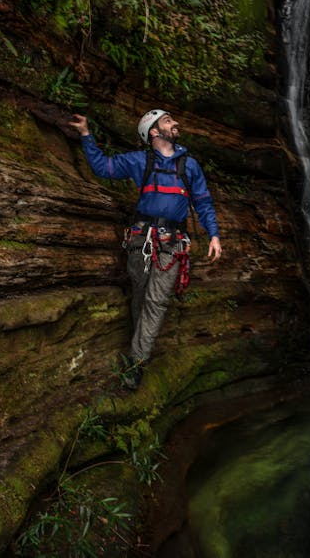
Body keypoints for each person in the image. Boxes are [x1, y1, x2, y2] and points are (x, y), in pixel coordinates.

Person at [69, 109, 222, 389]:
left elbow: (203, 202)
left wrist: (214, 235)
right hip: (141, 240)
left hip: (172, 244)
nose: (175, 123)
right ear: (153, 132)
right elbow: (103, 168)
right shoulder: (139, 161)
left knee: (156, 301)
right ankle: (137, 353)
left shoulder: (190, 166)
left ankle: (136, 365)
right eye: (167, 121)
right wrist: (86, 135)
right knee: (140, 298)